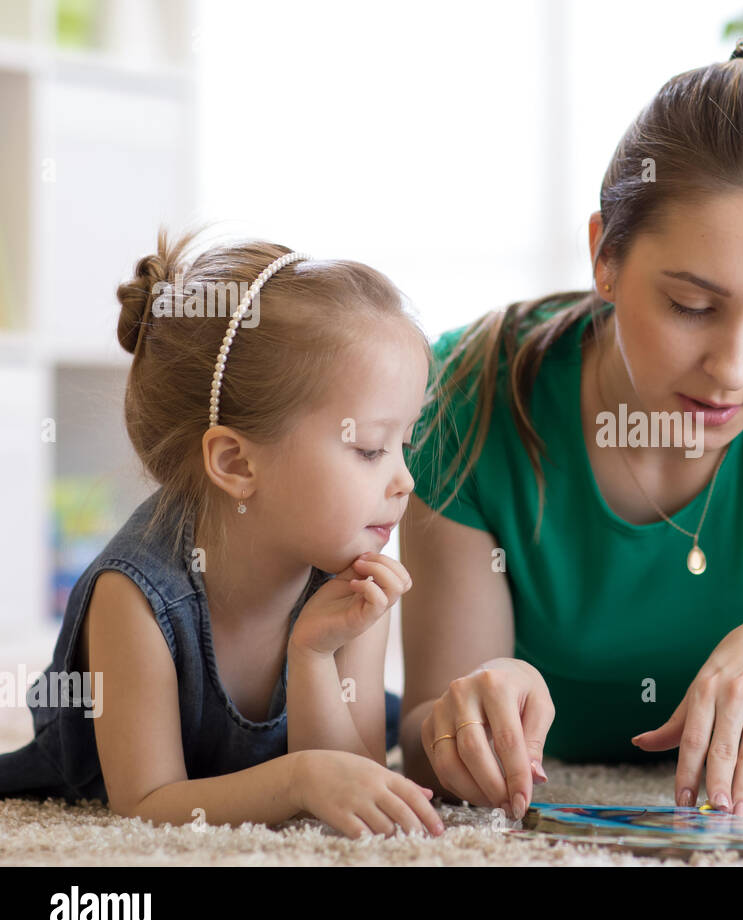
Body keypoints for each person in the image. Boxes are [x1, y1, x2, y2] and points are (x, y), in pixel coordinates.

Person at [399, 39, 743, 823]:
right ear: (605, 257)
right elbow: (423, 740)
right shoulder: (466, 392)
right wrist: (469, 725)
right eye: (691, 305)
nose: (733, 367)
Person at [0, 229, 445, 839]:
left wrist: (313, 656)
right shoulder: (136, 597)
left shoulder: (353, 573)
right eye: (370, 449)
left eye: (405, 442)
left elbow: (358, 782)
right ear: (236, 464)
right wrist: (299, 779)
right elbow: (146, 801)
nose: (405, 480)